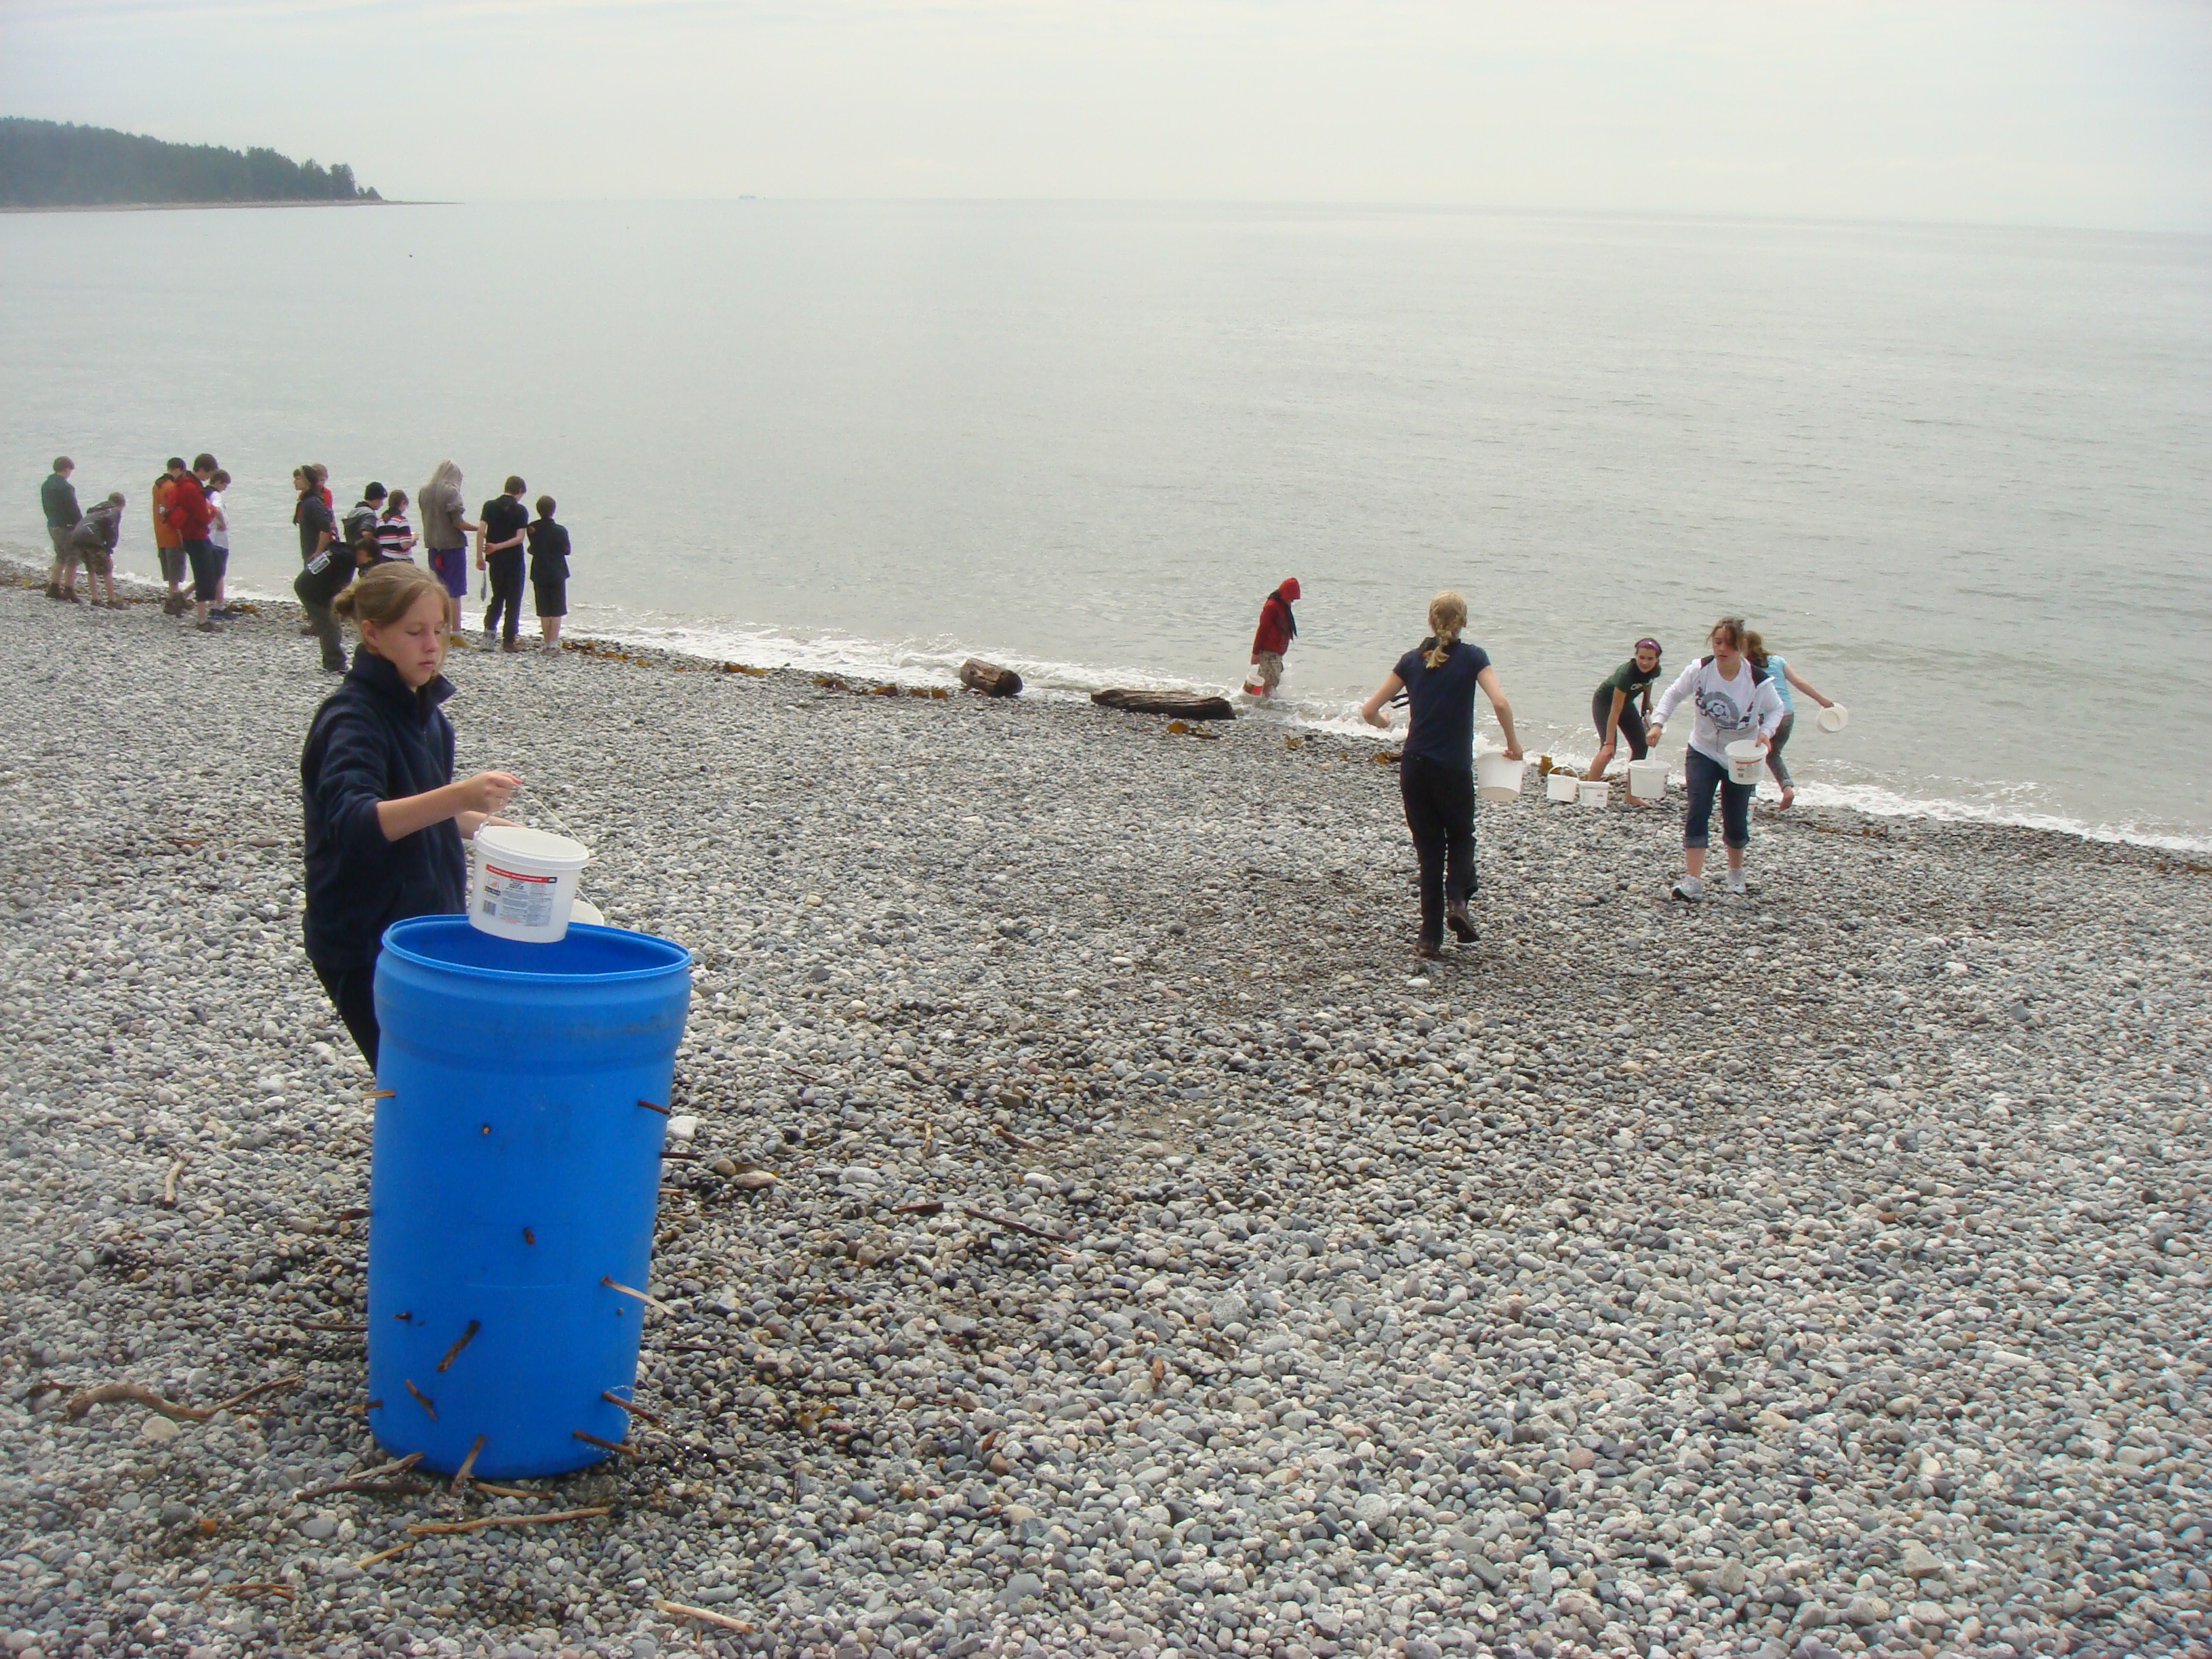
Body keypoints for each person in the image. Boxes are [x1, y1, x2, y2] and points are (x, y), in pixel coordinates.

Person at [302, 560, 520, 1066]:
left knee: (442, 1071)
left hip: (428, 929)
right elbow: (356, 823)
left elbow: (421, 811)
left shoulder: (429, 718)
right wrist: (460, 795)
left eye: (440, 631)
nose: (431, 646)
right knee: (412, 1076)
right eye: (414, 631)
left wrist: (501, 832)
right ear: (372, 634)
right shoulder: (351, 718)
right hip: (365, 941)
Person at [1358, 590, 1523, 958]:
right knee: (1462, 836)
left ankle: (1429, 936)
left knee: (1429, 849)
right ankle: (1458, 901)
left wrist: (1383, 722)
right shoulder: (1474, 657)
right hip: (1452, 767)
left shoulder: (1410, 661)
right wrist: (1513, 745)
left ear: (1430, 621)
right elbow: (1500, 702)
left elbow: (1369, 710)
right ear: (1463, 622)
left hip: (1415, 765)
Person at [1647, 615, 1784, 901]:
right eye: (1718, 642)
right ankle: (1693, 881)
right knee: (1698, 807)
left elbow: (1776, 709)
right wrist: (1658, 724)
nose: (1722, 649)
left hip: (1741, 755)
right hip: (1702, 749)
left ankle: (1736, 873)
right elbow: (1673, 695)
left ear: (1742, 646)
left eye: (1730, 644)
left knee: (1735, 815)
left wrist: (1766, 733)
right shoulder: (1700, 670)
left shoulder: (1757, 680)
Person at [1742, 631, 1838, 811]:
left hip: (1765, 717)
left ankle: (1750, 796)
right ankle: (1787, 789)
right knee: (1773, 754)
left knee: (1752, 756)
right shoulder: (1778, 661)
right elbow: (1799, 682)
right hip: (1787, 715)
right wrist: (1822, 700)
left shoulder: (1745, 666)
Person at [293, 470, 350, 672]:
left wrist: (318, 553)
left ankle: (334, 659)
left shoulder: (312, 503)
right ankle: (333, 658)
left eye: (298, 478)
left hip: (320, 562)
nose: (294, 482)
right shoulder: (308, 501)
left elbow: (327, 528)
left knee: (322, 607)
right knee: (323, 608)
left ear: (308, 481)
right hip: (317, 560)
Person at [1586, 637, 1664, 781]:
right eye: (1642, 657)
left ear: (1657, 660)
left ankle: (1631, 792)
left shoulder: (1656, 670)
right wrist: (1609, 743)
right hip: (1605, 703)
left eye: (1650, 659)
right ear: (1635, 656)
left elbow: (1648, 682)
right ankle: (1589, 786)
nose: (1645, 663)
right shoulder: (1626, 675)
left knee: (1641, 746)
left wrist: (1646, 702)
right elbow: (1615, 712)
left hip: (1626, 703)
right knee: (1608, 750)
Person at [419, 459, 480, 642]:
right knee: (455, 591)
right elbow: (458, 523)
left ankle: (438, 629)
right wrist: (480, 529)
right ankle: (456, 633)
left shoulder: (424, 492)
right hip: (452, 546)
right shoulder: (451, 492)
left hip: (433, 545)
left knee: (437, 590)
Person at [476, 474, 531, 652]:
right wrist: (499, 546)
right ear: (520, 491)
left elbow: (481, 531)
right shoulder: (520, 511)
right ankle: (508, 641)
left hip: (495, 560)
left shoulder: (490, 506)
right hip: (514, 560)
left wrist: (479, 556)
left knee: (497, 597)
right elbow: (519, 538)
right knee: (513, 600)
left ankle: (488, 636)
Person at [171, 453, 223, 632]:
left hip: (193, 535)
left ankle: (180, 598)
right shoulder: (191, 487)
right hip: (196, 535)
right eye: (208, 473)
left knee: (212, 569)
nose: (209, 478)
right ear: (201, 469)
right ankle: (201, 619)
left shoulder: (188, 483)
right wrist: (212, 510)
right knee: (204, 574)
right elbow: (203, 515)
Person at [527, 493, 570, 651]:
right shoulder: (560, 531)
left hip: (539, 570)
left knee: (544, 609)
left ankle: (546, 642)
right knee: (557, 609)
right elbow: (567, 550)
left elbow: (532, 547)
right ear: (554, 510)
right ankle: (553, 643)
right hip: (557, 571)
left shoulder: (532, 528)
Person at [70, 492, 127, 609]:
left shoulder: (97, 509)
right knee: (107, 569)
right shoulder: (115, 511)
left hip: (77, 536)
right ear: (121, 504)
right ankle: (112, 600)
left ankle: (95, 598)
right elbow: (112, 530)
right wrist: (109, 548)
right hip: (91, 537)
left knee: (90, 568)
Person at [1246, 577, 1300, 697]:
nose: (1292, 601)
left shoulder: (1283, 605)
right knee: (1270, 683)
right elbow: (1262, 630)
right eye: (1291, 598)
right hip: (1269, 652)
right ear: (1285, 594)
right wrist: (1255, 653)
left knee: (1265, 682)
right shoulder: (1271, 607)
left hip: (1275, 653)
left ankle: (1254, 702)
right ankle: (1263, 704)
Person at [151, 457, 188, 615]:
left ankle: (173, 599)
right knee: (175, 575)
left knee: (170, 574)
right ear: (178, 470)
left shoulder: (157, 486)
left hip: (161, 534)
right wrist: (183, 537)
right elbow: (175, 515)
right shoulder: (172, 488)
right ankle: (173, 602)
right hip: (173, 536)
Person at [42, 457, 81, 601]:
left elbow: (46, 506)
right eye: (70, 470)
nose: (70, 474)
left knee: (60, 556)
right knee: (73, 558)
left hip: (53, 524)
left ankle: (54, 587)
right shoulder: (66, 488)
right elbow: (73, 509)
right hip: (66, 526)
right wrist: (81, 524)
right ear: (66, 469)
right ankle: (69, 589)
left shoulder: (46, 485)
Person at [205, 469, 235, 618]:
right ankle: (218, 605)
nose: (224, 489)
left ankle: (212, 604)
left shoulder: (204, 493)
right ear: (219, 482)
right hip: (218, 539)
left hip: (208, 537)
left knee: (211, 573)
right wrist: (222, 523)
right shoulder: (215, 495)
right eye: (225, 486)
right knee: (220, 574)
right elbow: (217, 509)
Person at [343, 482, 388, 554]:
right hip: (363, 554)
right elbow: (366, 533)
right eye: (381, 500)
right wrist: (378, 546)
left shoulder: (354, 511)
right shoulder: (369, 514)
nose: (382, 504)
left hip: (350, 551)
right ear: (376, 499)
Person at [377, 489, 418, 563]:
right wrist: (413, 538)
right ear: (402, 503)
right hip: (400, 561)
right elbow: (405, 544)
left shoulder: (380, 521)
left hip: (385, 560)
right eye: (406, 506)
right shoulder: (401, 520)